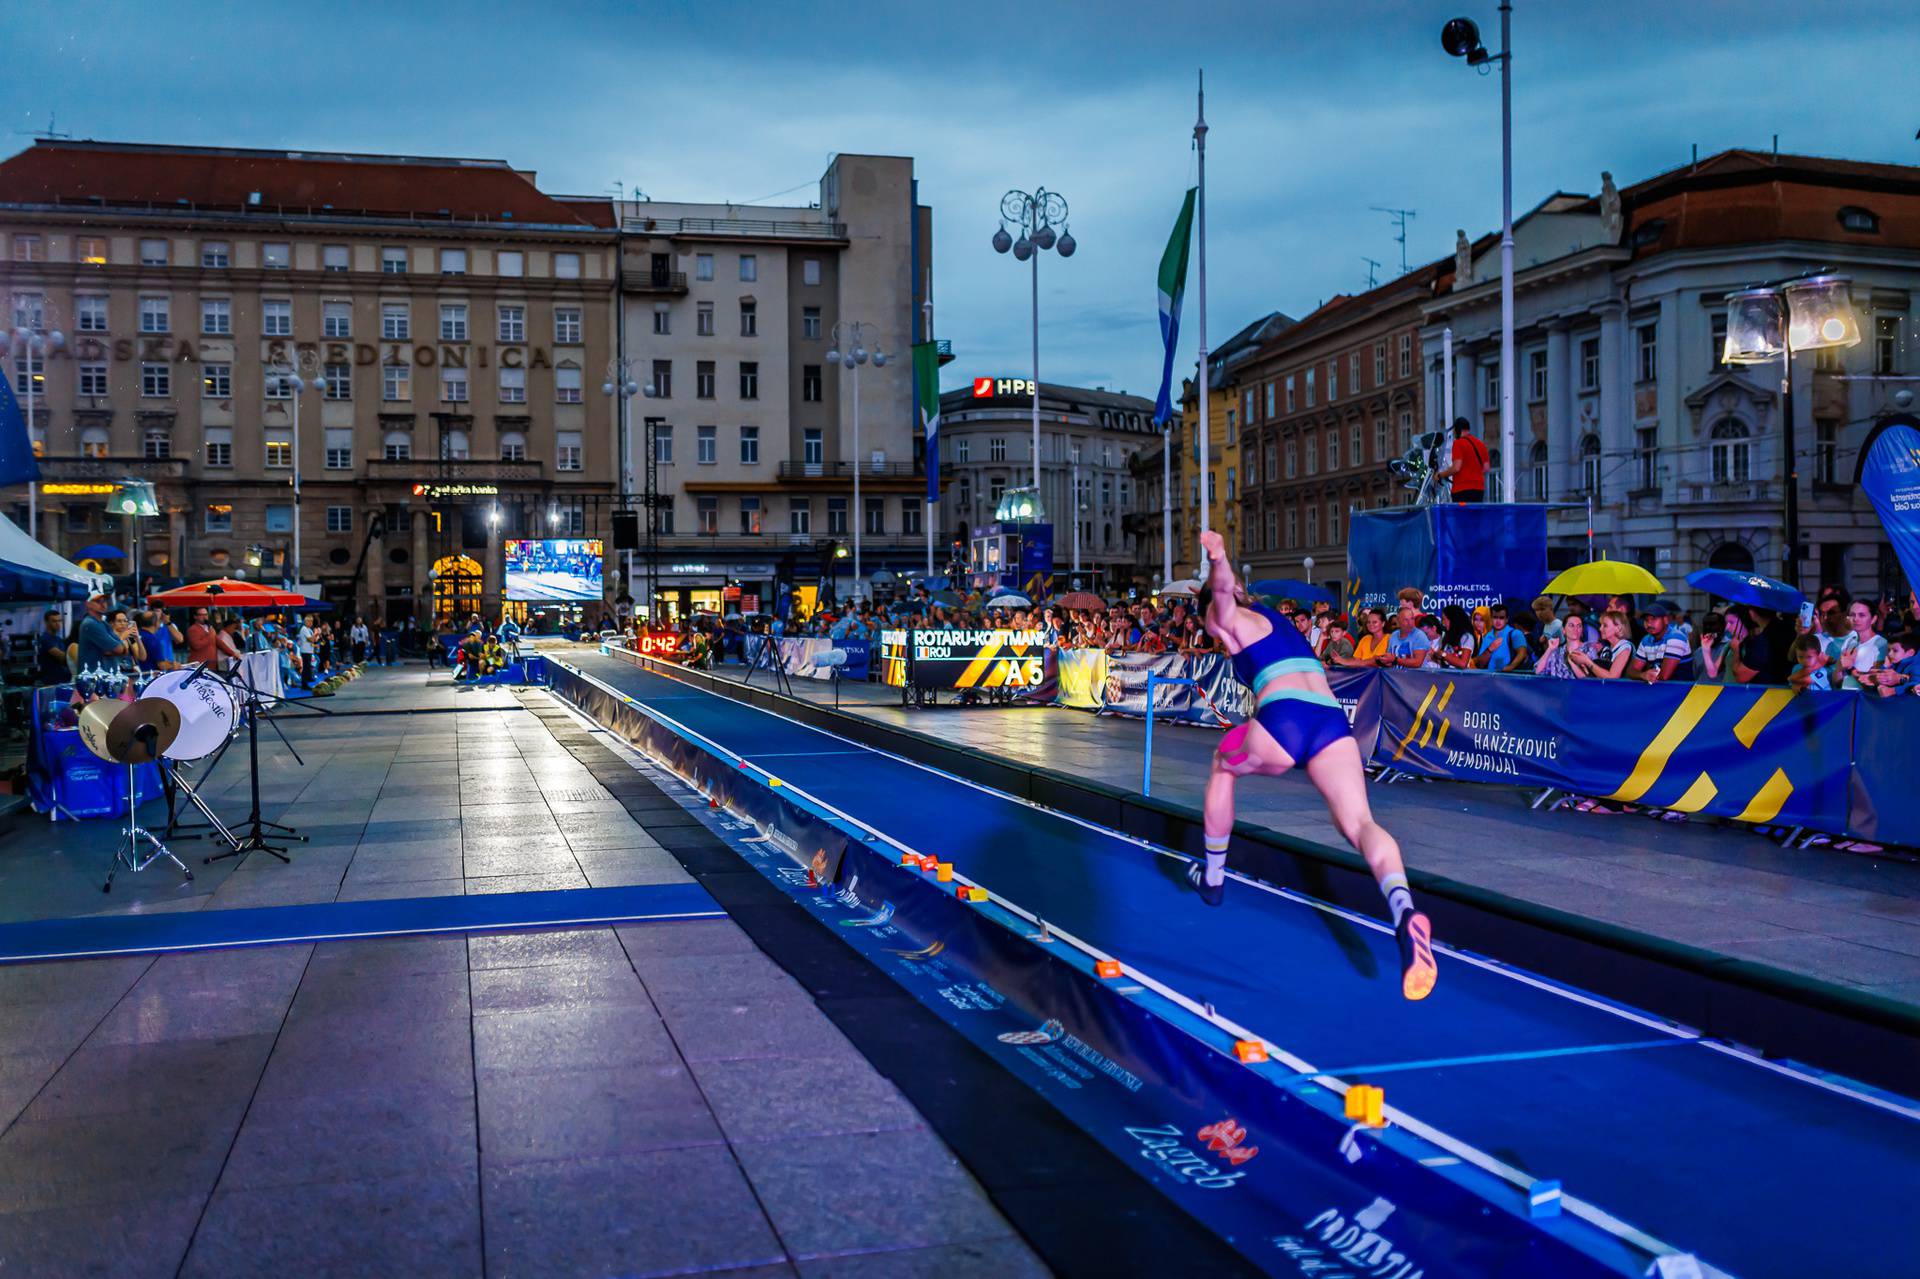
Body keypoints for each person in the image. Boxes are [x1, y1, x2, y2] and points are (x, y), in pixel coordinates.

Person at [1190, 530, 1437, 1000]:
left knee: (1223, 763)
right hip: (1330, 721)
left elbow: (1220, 593)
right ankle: (1404, 911)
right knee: (1361, 823)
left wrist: (1217, 557)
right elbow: (1230, 592)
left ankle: (1214, 879)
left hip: (1283, 717)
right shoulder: (1276, 620)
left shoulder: (1226, 615)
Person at [1630, 602, 1693, 683]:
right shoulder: (1646, 640)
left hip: (1683, 692)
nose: (1649, 624)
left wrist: (1644, 674)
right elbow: (1631, 671)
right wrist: (1643, 675)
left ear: (1666, 620)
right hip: (1662, 691)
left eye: (1653, 619)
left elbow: (1664, 677)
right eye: (1646, 620)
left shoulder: (1676, 637)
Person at [1837, 599, 1888, 691]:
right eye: (1852, 615)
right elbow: (1836, 682)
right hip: (1845, 698)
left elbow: (1875, 683)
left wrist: (1850, 668)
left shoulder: (1881, 644)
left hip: (1864, 701)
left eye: (1862, 615)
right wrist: (1839, 668)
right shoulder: (1849, 641)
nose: (1856, 619)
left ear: (1873, 619)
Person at [1436, 416, 1489, 503]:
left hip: (1462, 490)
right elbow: (1486, 468)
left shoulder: (1458, 443)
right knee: (1474, 516)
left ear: (1457, 430)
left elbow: (1456, 467)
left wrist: (1440, 475)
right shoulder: (1481, 444)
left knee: (1461, 516)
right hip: (1479, 490)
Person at [1568, 610, 1633, 679]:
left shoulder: (1625, 647)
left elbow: (1612, 677)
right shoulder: (1607, 650)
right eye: (1601, 625)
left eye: (1605, 626)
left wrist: (1587, 661)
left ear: (1618, 628)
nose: (1600, 629)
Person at [78, 602, 133, 671]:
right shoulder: (91, 624)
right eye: (119, 621)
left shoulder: (105, 625)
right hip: (102, 673)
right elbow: (119, 649)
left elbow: (141, 656)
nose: (123, 623)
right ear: (112, 623)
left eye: (125, 621)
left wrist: (137, 639)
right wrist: (122, 640)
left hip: (116, 671)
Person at [1477, 604, 1530, 673]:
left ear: (1507, 619)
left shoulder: (1515, 633)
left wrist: (1511, 667)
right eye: (1495, 617)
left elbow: (1522, 653)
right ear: (1491, 619)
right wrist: (1489, 650)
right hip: (1490, 678)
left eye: (1501, 618)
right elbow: (1481, 661)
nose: (1498, 621)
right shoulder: (1487, 636)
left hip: (1511, 678)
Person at [35, 610, 71, 683]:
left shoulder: (58, 639)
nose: (58, 624)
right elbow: (61, 656)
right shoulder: (45, 639)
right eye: (54, 621)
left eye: (59, 621)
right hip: (52, 681)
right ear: (46, 622)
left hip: (63, 679)